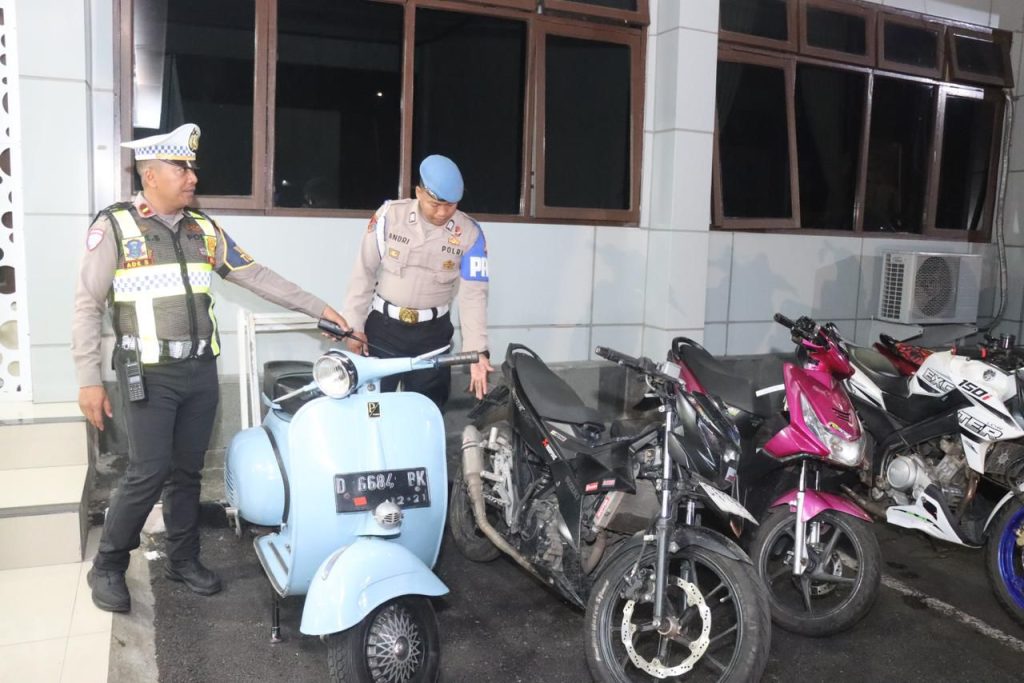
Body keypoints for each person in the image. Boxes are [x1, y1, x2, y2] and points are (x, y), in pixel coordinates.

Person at [72, 123, 350, 613]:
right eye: (182, 169)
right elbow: (86, 305)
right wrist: (89, 379)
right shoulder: (115, 226)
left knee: (187, 472)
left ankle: (183, 558)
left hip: (200, 373)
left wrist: (320, 309)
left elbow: (257, 276)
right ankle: (109, 564)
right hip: (148, 376)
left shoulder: (203, 230)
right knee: (148, 472)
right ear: (151, 175)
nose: (193, 177)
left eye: (192, 168)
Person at [342, 155, 493, 408]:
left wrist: (477, 351)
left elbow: (474, 295)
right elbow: (363, 272)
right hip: (383, 332)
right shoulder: (390, 216)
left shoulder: (470, 234)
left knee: (427, 411)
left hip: (432, 337)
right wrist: (354, 326)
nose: (442, 212)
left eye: (451, 205)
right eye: (436, 204)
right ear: (419, 193)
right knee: (371, 410)